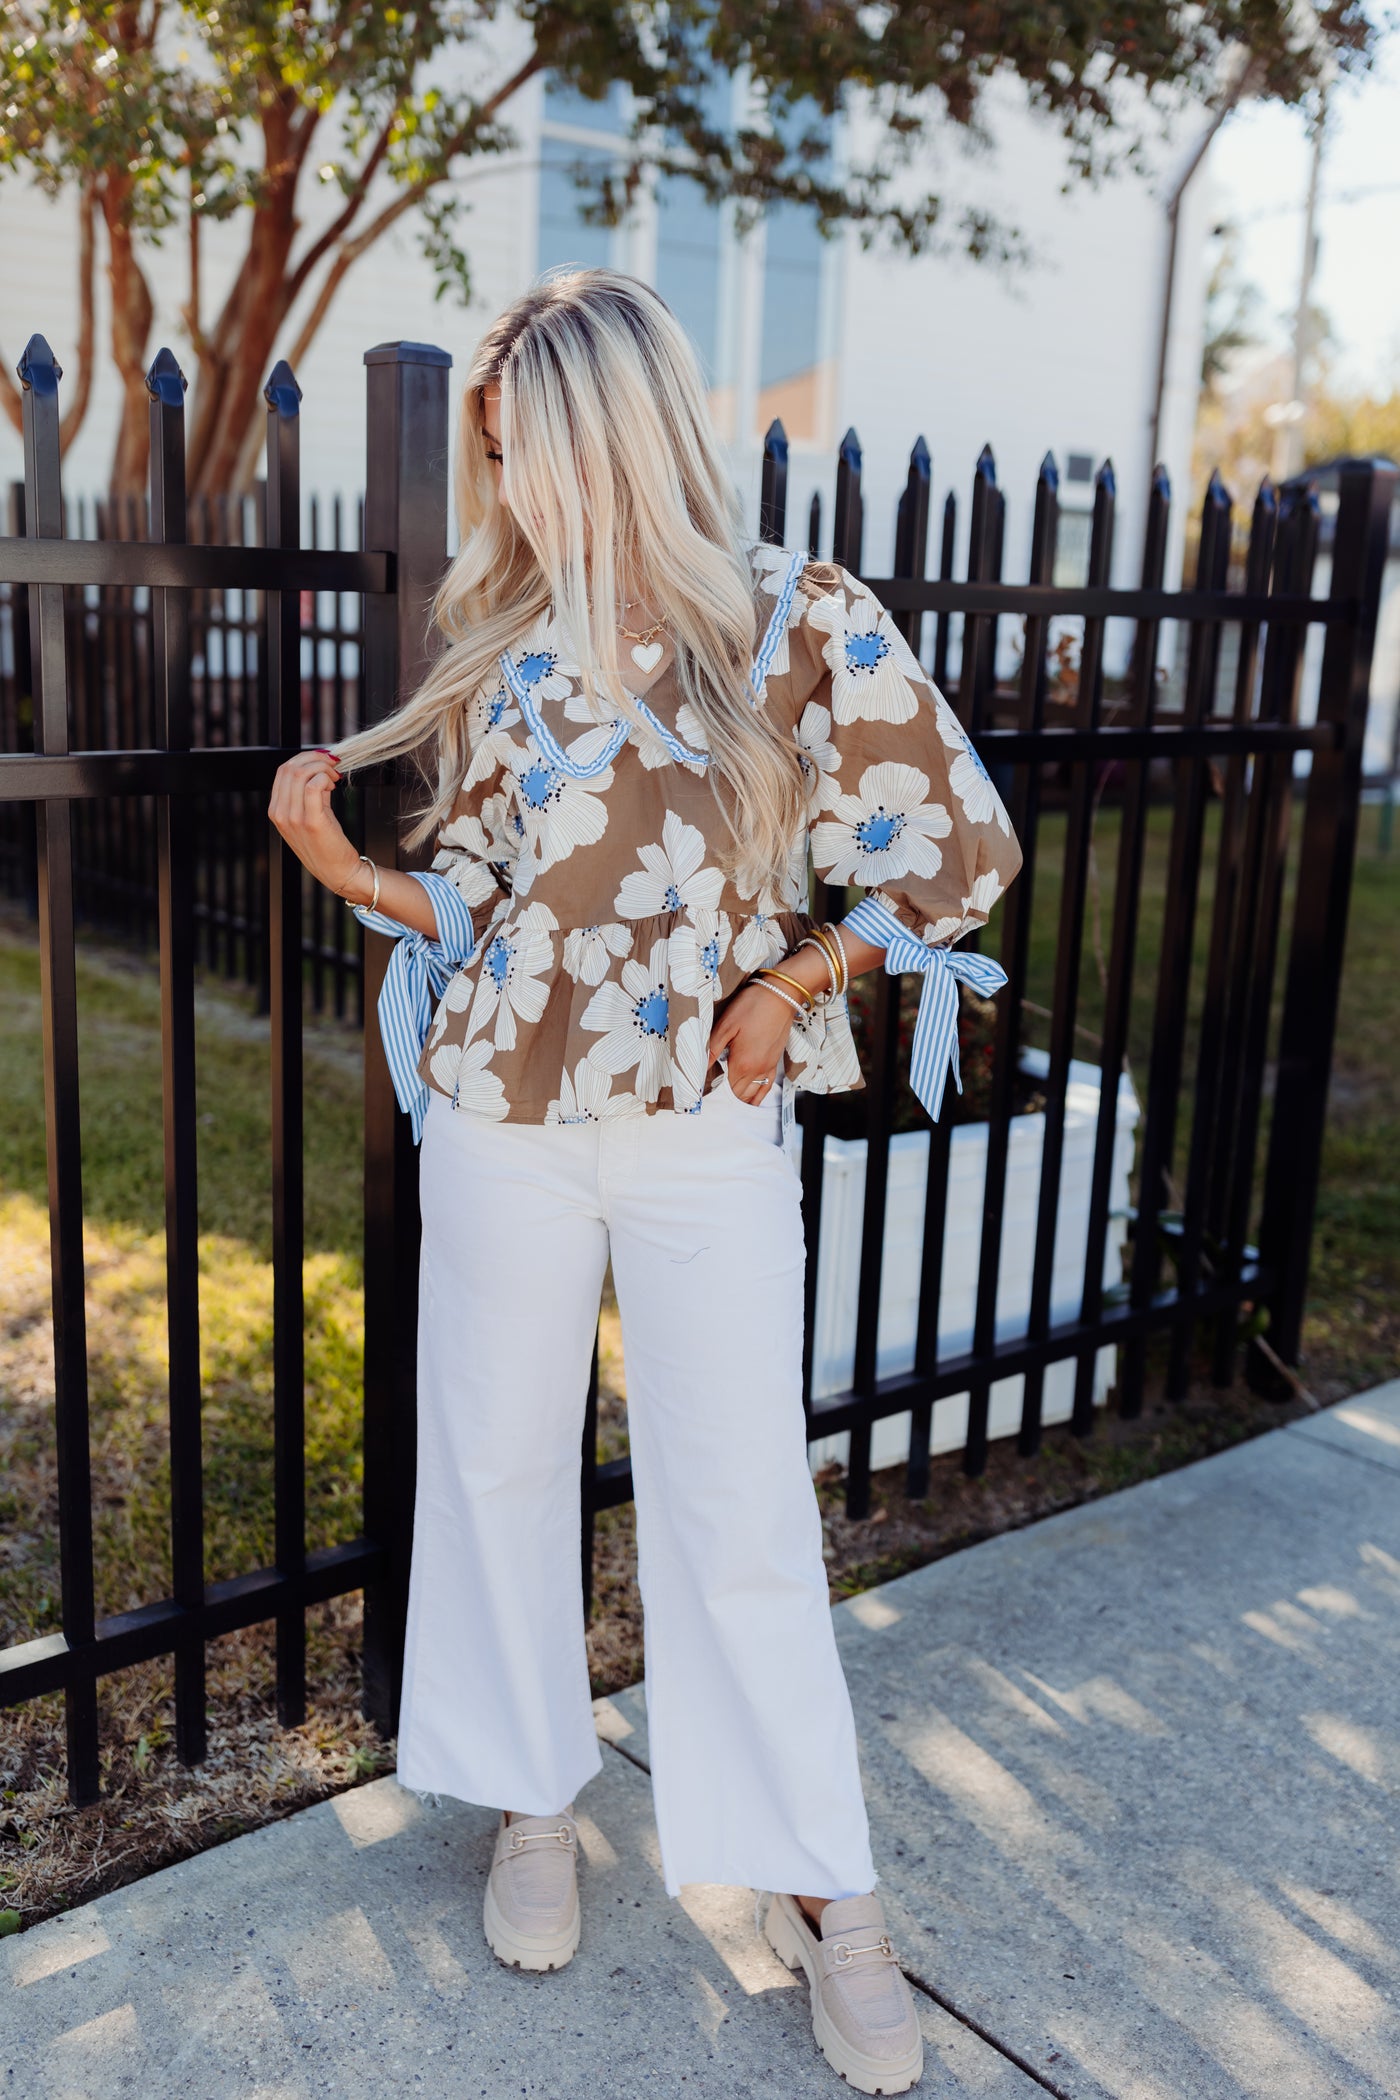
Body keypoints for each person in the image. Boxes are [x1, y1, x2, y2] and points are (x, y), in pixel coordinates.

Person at [269, 267, 1022, 2096]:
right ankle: (534, 1800)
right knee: (503, 1461)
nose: (514, 490)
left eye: (534, 450)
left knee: (740, 1505)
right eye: (499, 459)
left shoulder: (800, 623)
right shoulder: (504, 652)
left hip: (700, 1130)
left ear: (622, 429)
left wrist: (788, 984)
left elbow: (954, 859)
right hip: (508, 1126)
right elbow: (487, 908)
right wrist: (348, 876)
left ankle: (833, 1898)